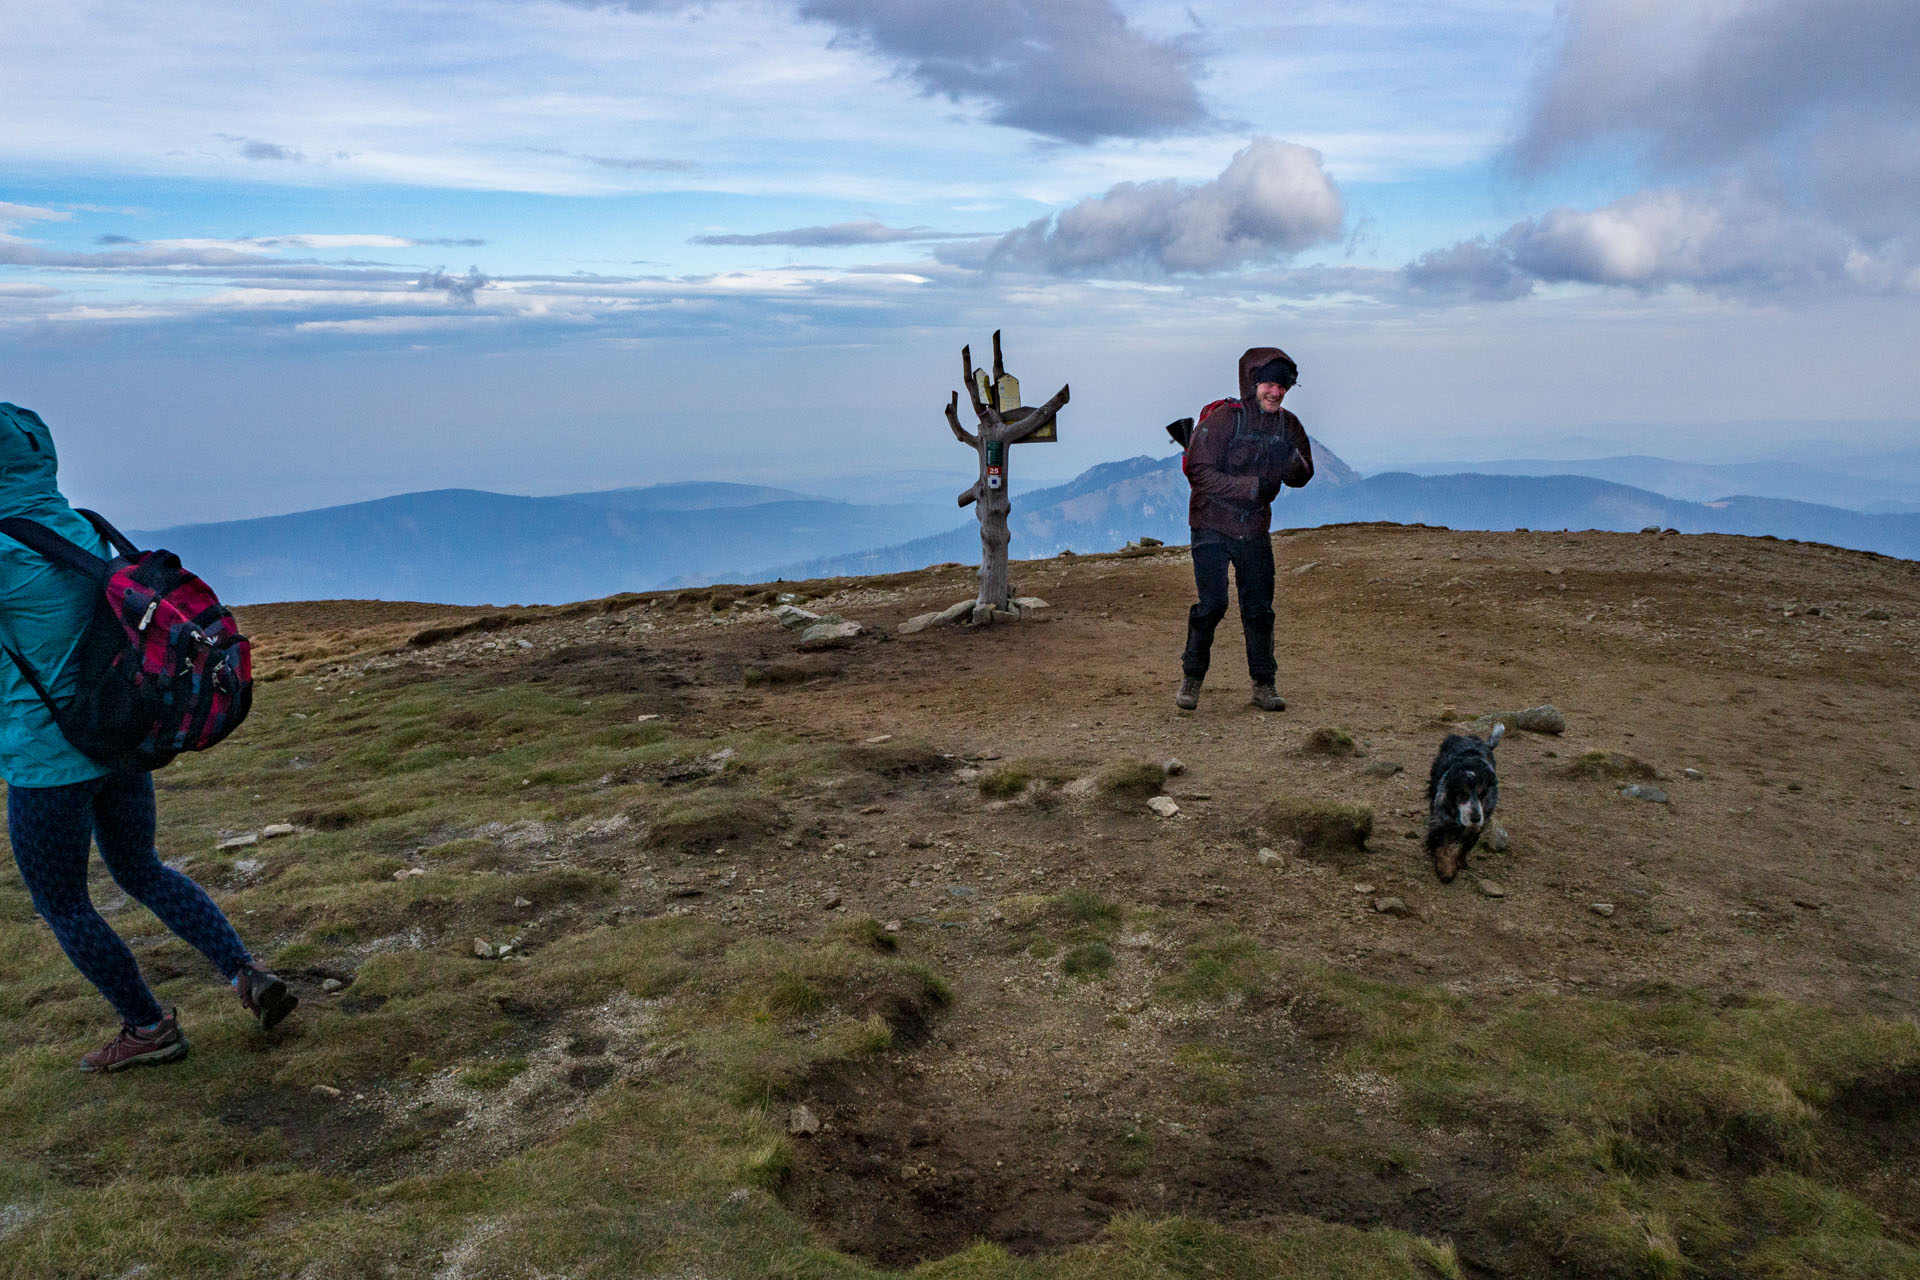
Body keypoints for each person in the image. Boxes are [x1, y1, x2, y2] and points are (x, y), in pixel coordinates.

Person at [0, 401, 295, 1073]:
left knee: (63, 903)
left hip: (49, 761)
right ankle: (245, 974)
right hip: (119, 739)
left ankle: (146, 1026)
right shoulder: (76, 525)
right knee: (141, 868)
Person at [1176, 347, 1314, 711]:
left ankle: (1264, 685)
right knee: (1213, 604)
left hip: (1254, 529)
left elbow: (1303, 476)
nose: (1276, 392)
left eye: (1282, 386)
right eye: (1269, 383)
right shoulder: (1224, 420)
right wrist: (1248, 488)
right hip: (1209, 526)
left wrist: (1291, 459)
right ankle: (1191, 677)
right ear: (1252, 383)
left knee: (1259, 609)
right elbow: (1198, 471)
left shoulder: (1288, 425)